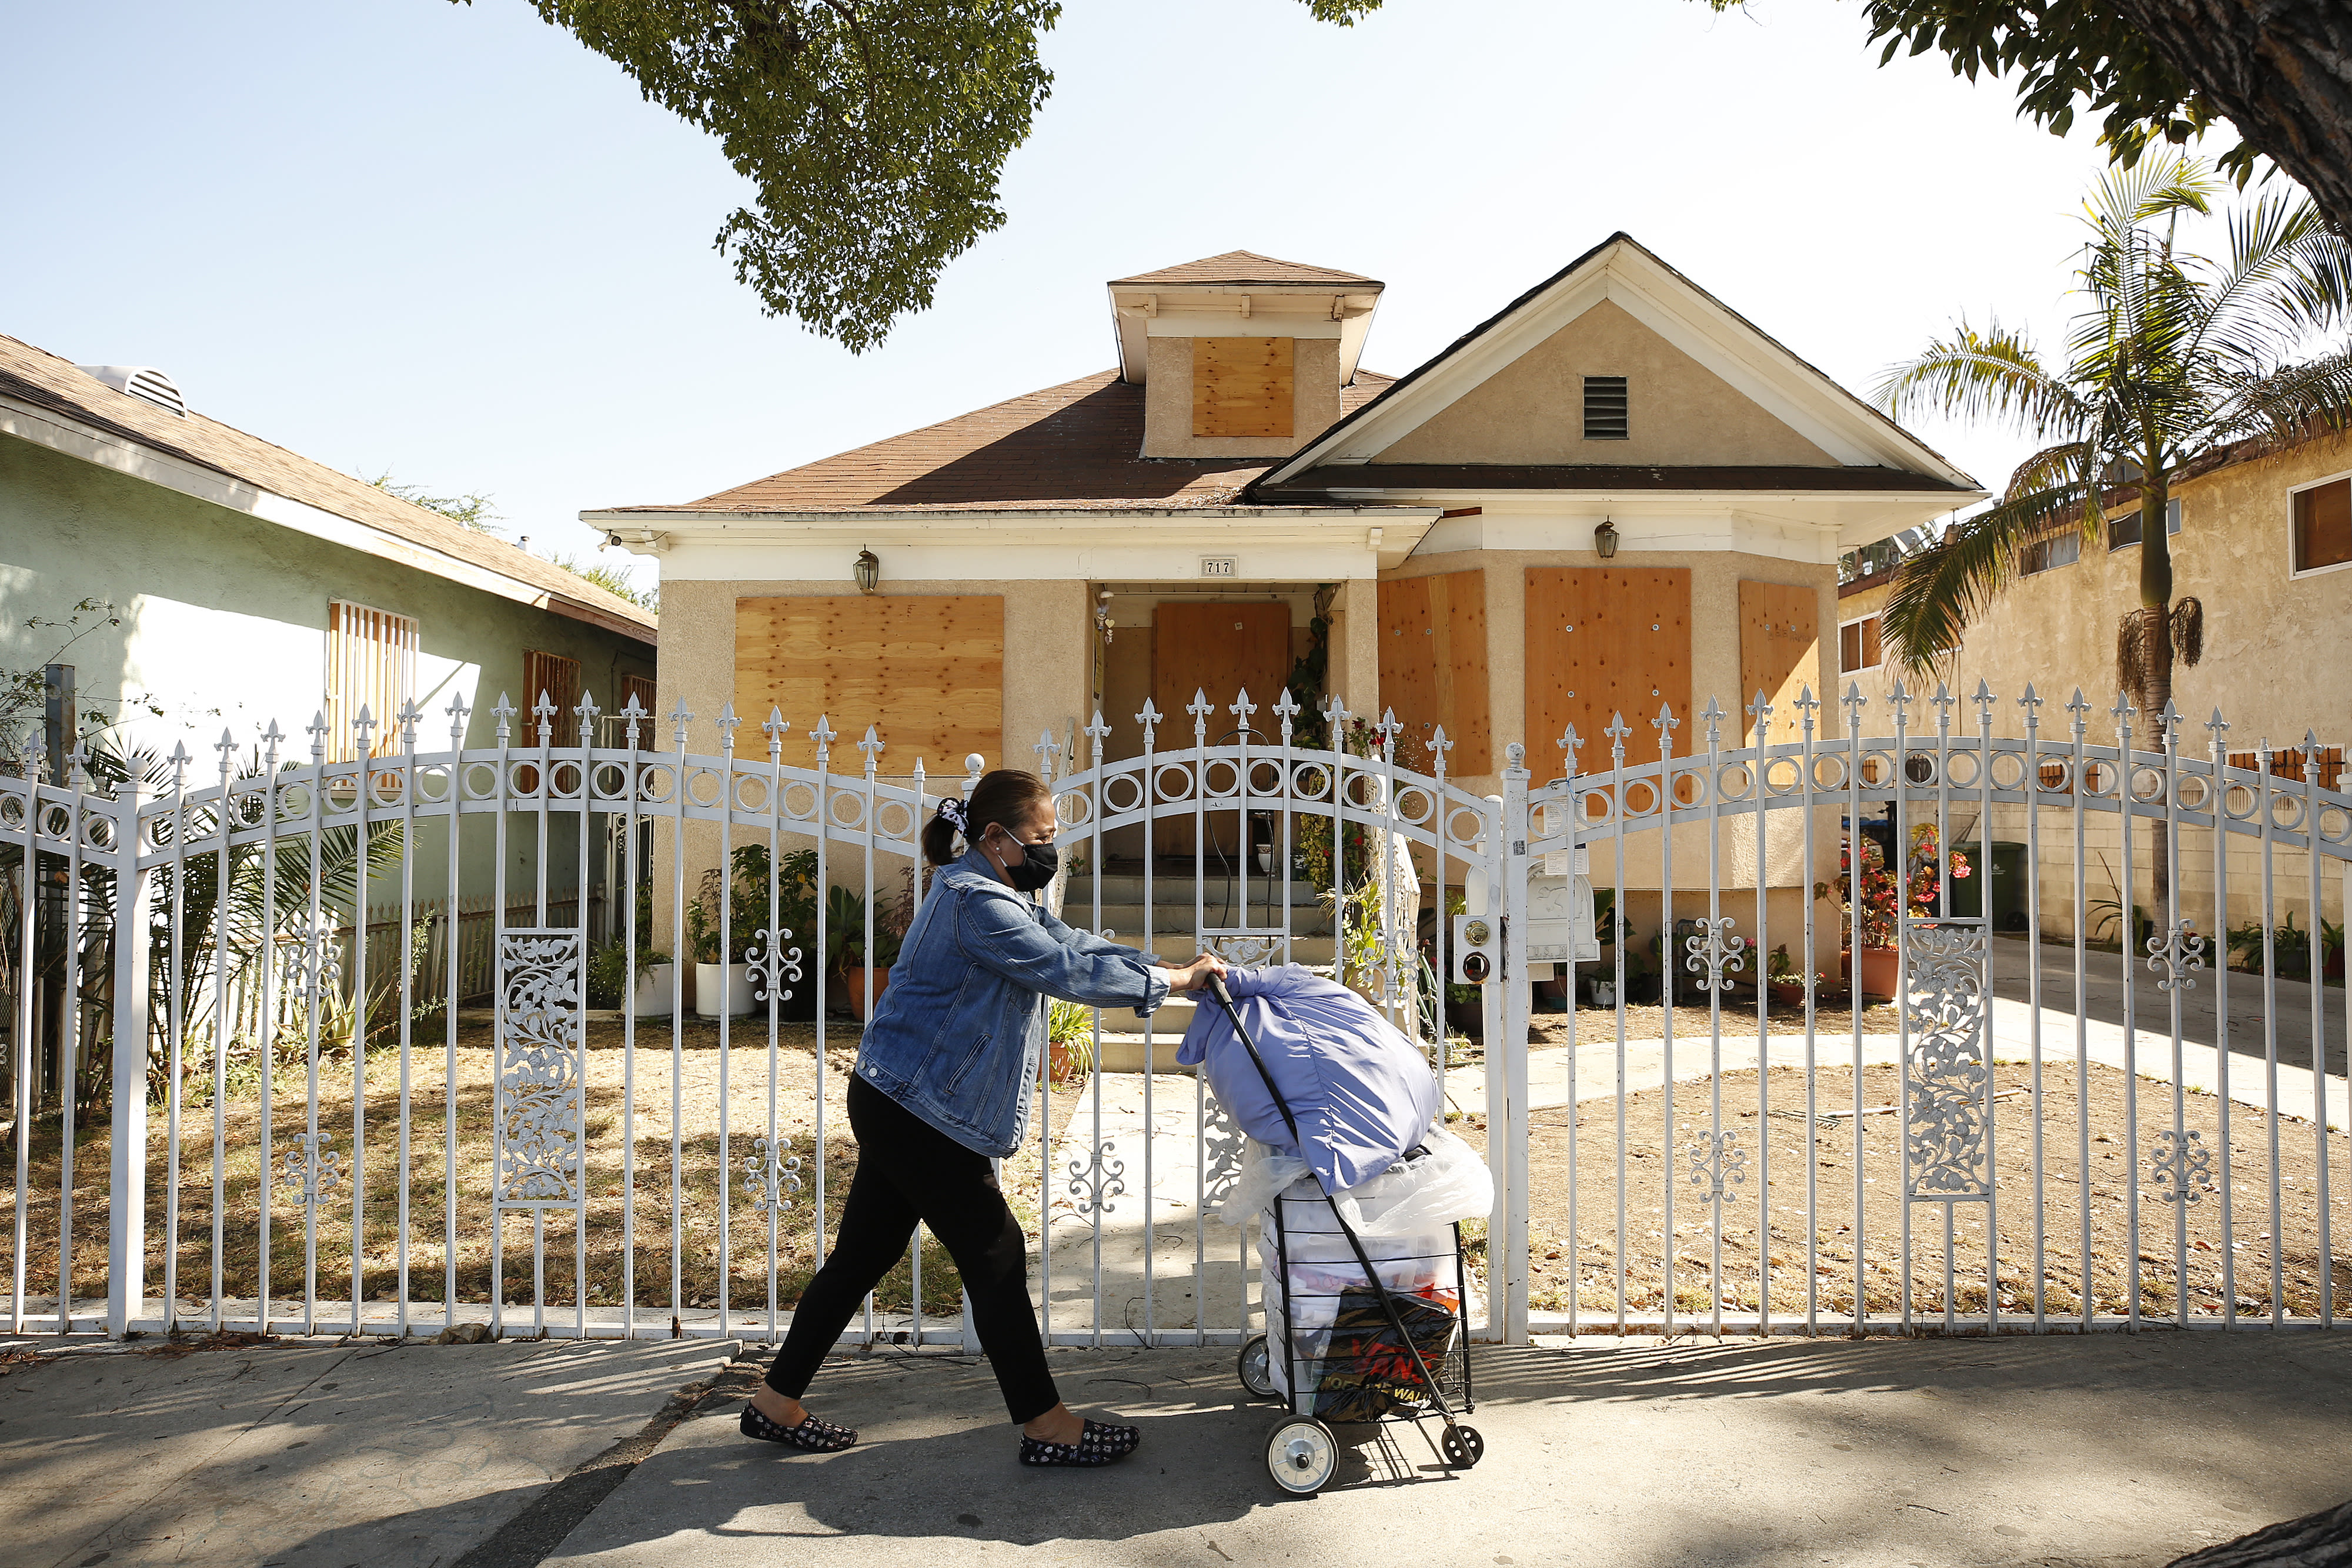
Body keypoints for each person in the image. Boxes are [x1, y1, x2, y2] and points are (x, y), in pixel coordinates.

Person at [741, 768, 1226, 1467]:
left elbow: (1075, 947)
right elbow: (1066, 975)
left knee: (863, 1257)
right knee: (994, 1252)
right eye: (1042, 836)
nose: (1049, 850)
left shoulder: (1001, 895)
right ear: (996, 837)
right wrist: (1175, 982)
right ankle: (1046, 1425)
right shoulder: (978, 905)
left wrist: (1164, 965)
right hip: (917, 1110)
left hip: (901, 1098)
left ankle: (775, 1401)